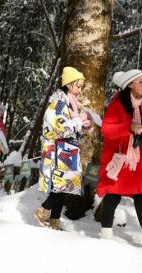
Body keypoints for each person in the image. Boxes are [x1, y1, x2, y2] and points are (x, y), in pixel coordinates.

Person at [97, 69, 142, 249]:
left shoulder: (139, 107)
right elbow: (106, 130)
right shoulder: (117, 105)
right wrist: (128, 126)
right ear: (130, 84)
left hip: (135, 160)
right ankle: (105, 234)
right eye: (141, 82)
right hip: (119, 158)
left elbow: (140, 136)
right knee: (113, 195)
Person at [34, 66, 93, 231]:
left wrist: (83, 128)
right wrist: (78, 123)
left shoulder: (72, 105)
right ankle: (43, 210)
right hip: (56, 150)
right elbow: (60, 128)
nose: (80, 90)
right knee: (61, 184)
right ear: (68, 84)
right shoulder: (58, 103)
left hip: (68, 149)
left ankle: (55, 219)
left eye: (81, 86)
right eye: (78, 86)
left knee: (64, 186)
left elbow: (72, 130)